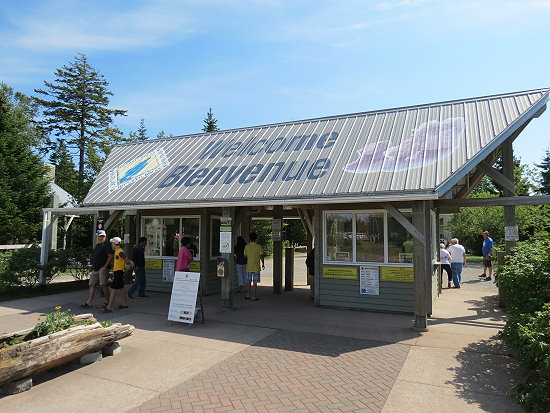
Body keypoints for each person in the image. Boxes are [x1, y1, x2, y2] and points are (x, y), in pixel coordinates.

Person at [80, 230, 113, 308]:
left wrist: (105, 266)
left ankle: (107, 301)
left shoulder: (106, 245)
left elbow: (110, 256)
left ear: (105, 237)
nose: (100, 237)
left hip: (103, 268)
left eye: (102, 236)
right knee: (91, 284)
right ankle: (89, 302)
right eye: (99, 236)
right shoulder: (97, 245)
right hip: (95, 268)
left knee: (103, 285)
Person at [103, 237, 130, 312]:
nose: (112, 245)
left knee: (113, 289)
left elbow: (127, 260)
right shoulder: (117, 251)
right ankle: (125, 303)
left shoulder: (120, 252)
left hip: (119, 272)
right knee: (121, 288)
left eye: (112, 243)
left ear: (115, 243)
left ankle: (109, 306)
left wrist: (126, 264)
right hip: (118, 271)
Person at [244, 232, 265, 301]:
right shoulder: (258, 246)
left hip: (248, 266)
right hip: (256, 267)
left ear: (249, 238)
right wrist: (263, 264)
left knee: (248, 281)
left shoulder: (247, 246)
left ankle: (247, 295)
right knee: (255, 282)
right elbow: (261, 256)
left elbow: (245, 256)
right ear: (256, 238)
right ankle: (253, 296)